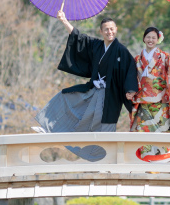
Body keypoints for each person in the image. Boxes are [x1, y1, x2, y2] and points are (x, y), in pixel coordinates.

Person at [34, 11, 137, 159]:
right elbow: (78, 37)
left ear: (116, 30)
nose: (110, 32)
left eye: (112, 28)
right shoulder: (96, 45)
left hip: (110, 97)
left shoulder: (122, 51)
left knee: (103, 126)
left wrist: (130, 90)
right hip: (93, 89)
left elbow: (130, 70)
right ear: (100, 31)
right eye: (106, 29)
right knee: (67, 95)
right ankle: (49, 127)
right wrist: (64, 20)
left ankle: (104, 159)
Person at [127, 26, 170, 161]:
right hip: (143, 103)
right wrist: (130, 91)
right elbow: (131, 78)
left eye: (154, 37)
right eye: (148, 37)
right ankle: (145, 164)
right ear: (143, 38)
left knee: (162, 136)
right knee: (143, 137)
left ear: (158, 39)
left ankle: (164, 163)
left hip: (160, 104)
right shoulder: (137, 59)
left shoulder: (165, 57)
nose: (150, 40)